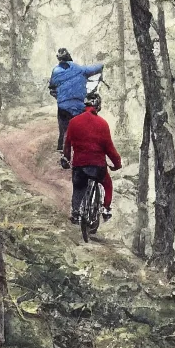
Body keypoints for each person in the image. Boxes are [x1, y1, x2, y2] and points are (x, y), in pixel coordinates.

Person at [61, 90, 121, 224]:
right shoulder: (102, 124)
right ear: (98, 106)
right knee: (107, 184)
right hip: (97, 167)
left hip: (79, 165)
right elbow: (109, 148)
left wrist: (66, 158)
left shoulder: (73, 122)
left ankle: (76, 212)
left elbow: (67, 144)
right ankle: (106, 208)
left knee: (78, 186)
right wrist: (117, 164)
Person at [48, 48, 103, 151]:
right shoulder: (80, 69)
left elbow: (52, 88)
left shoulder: (55, 71)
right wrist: (102, 65)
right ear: (69, 57)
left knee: (64, 130)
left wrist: (59, 97)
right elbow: (96, 68)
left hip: (63, 106)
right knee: (83, 129)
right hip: (78, 106)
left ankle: (63, 152)